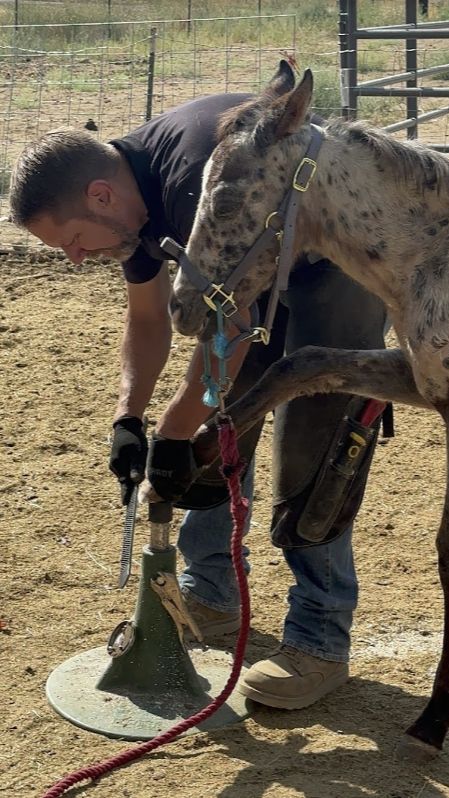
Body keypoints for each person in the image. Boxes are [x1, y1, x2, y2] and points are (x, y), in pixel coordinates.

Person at [9, 62, 387, 711]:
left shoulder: (192, 179)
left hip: (338, 264)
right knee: (220, 425)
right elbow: (149, 318)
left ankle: (320, 639)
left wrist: (175, 427)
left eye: (72, 242)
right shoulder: (132, 206)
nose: (74, 259)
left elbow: (231, 329)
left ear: (99, 196)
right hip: (265, 268)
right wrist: (129, 418)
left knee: (317, 442)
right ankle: (211, 592)